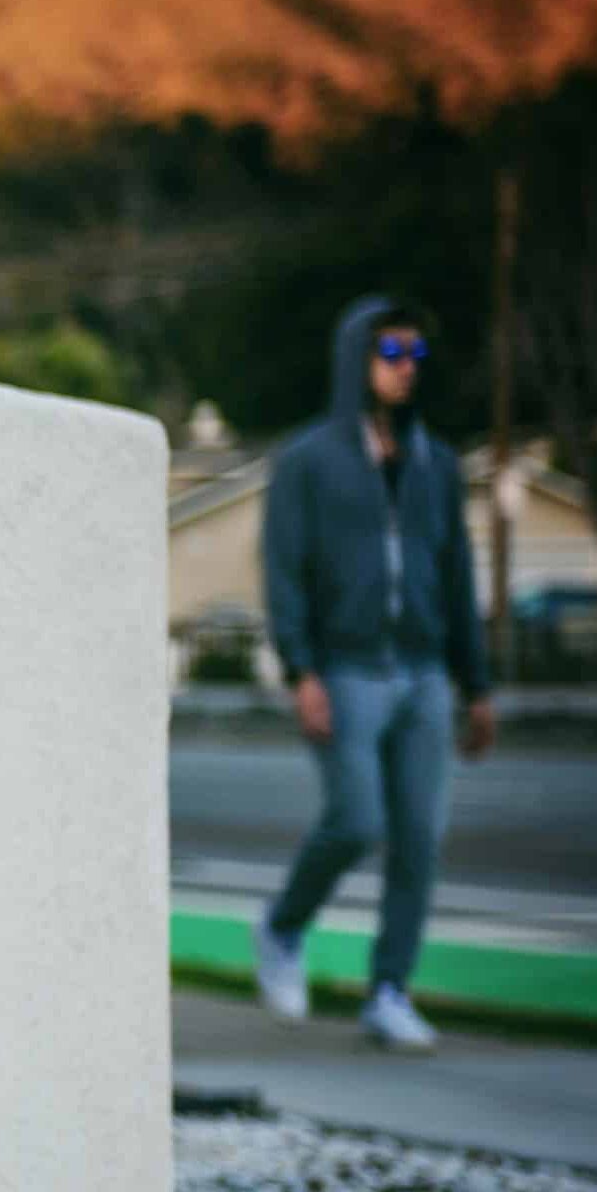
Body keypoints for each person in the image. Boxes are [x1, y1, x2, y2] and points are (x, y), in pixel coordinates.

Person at [253, 295, 498, 1051]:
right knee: (357, 819)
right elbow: (283, 570)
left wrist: (475, 684)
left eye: (415, 355)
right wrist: (300, 669)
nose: (404, 368)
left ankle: (388, 990)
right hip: (344, 669)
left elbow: (456, 575)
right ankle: (282, 927)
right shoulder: (306, 461)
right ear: (355, 358)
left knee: (418, 840)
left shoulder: (436, 463)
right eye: (389, 352)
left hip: (423, 672)